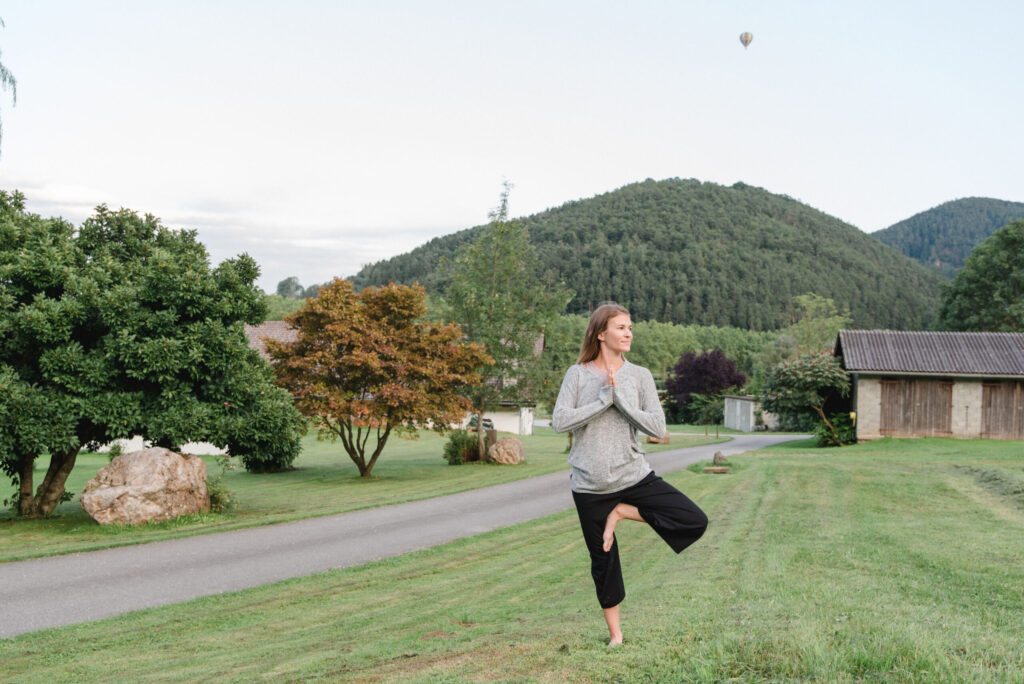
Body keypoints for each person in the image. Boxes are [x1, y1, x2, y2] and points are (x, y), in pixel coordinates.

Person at [551, 303, 708, 646]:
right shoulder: (577, 375)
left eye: (630, 327)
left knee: (693, 519)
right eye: (621, 327)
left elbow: (657, 427)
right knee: (603, 562)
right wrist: (603, 400)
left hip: (633, 476)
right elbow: (559, 421)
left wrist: (620, 400)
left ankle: (620, 511)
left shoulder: (640, 376)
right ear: (600, 333)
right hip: (590, 485)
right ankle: (616, 636)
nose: (628, 333)